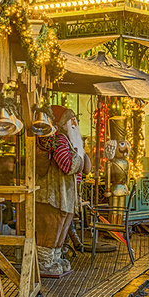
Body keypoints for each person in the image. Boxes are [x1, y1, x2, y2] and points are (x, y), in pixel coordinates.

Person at [35, 105, 88, 277]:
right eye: (71, 120)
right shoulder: (59, 140)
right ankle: (44, 262)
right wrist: (80, 157)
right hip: (53, 195)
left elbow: (80, 172)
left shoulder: (70, 142)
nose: (75, 124)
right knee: (52, 226)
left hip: (66, 196)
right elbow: (68, 165)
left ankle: (54, 259)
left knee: (61, 227)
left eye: (75, 121)